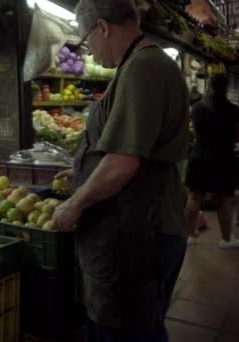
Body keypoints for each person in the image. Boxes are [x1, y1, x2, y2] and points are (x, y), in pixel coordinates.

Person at [52, 0, 189, 341]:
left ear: (103, 27)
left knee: (128, 330)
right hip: (141, 226)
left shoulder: (143, 68)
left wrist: (76, 203)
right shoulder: (144, 64)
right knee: (139, 324)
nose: (89, 51)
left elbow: (122, 163)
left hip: (137, 233)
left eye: (87, 41)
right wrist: (82, 175)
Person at [184, 74, 239, 249]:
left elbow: (192, 130)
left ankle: (189, 236)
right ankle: (226, 239)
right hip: (223, 159)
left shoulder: (197, 107)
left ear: (209, 86)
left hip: (199, 156)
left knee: (194, 197)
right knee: (224, 199)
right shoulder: (233, 110)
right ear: (226, 87)